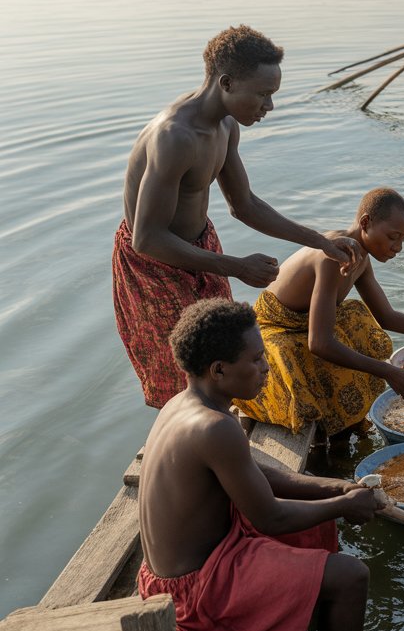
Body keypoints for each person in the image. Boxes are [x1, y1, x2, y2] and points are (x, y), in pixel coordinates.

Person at [137, 298, 382, 631]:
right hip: (195, 592)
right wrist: (343, 506)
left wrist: (336, 488)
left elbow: (255, 473)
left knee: (316, 521)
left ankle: (310, 603)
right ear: (219, 370)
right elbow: (271, 517)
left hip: (175, 571)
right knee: (352, 576)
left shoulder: (185, 404)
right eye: (255, 359)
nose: (266, 366)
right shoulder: (215, 428)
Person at [113, 25, 360, 408]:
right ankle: (187, 438)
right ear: (226, 83)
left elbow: (244, 205)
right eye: (262, 94)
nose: (269, 106)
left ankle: (222, 426)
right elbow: (147, 238)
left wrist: (321, 242)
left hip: (201, 246)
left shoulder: (226, 126)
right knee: (183, 376)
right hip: (154, 265)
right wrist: (236, 266)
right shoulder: (175, 137)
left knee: (224, 359)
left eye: (272, 95)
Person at [233, 188, 404, 436]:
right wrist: (387, 371)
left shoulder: (361, 257)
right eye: (393, 237)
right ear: (365, 222)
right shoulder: (333, 256)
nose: (398, 248)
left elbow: (387, 317)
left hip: (305, 325)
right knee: (346, 337)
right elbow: (319, 343)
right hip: (276, 331)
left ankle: (347, 424)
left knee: (355, 315)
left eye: (402, 240)